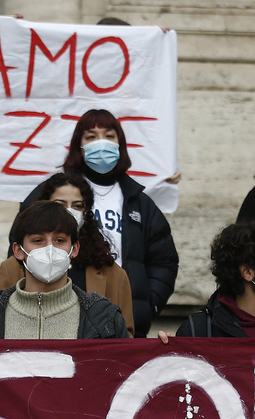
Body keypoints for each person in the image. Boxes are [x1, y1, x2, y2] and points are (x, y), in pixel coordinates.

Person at [17, 109, 177, 338]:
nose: (101, 143)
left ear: (120, 144)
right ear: (79, 146)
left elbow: (164, 261)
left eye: (109, 136)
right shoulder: (51, 191)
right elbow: (20, 246)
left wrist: (145, 306)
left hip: (120, 315)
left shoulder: (140, 203)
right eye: (91, 137)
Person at [0, 202, 127, 348]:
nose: (49, 249)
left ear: (74, 249)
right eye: (38, 241)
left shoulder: (105, 320)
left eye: (60, 240)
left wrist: (155, 347)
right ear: (18, 251)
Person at [0, 173, 134, 331]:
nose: (69, 212)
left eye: (77, 206)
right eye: (60, 204)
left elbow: (125, 337)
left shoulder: (113, 273)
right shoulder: (11, 268)